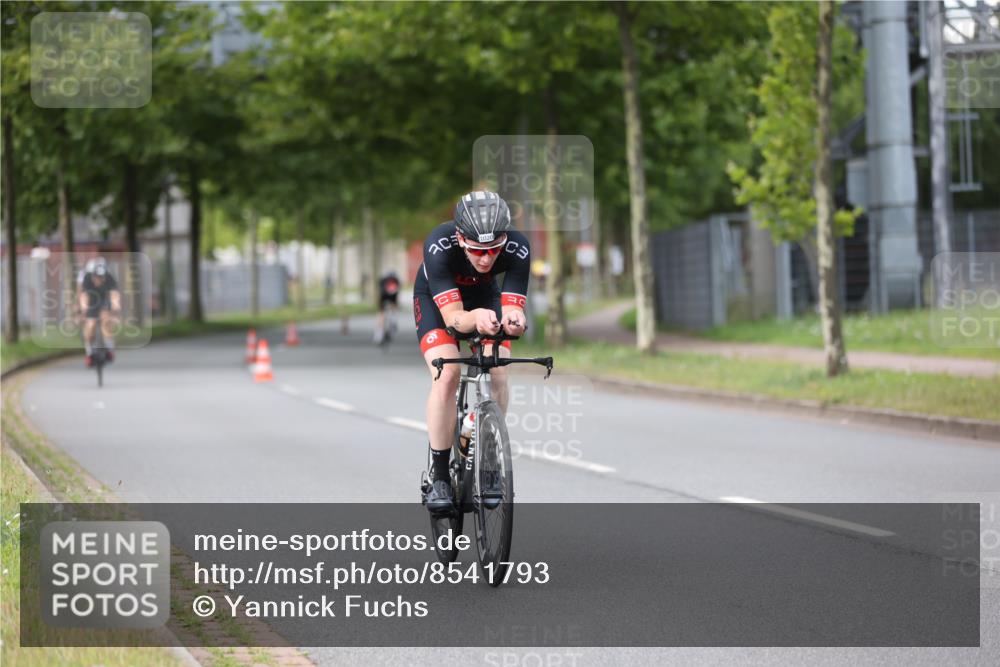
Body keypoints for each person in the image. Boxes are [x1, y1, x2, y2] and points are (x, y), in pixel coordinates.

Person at [413, 190, 529, 512]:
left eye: (494, 250)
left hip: (484, 296)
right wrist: (475, 319)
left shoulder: (519, 248)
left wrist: (515, 319)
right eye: (478, 251)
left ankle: (488, 461)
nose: (486, 259)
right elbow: (454, 319)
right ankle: (438, 476)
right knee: (447, 373)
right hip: (438, 301)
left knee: (499, 370)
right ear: (461, 239)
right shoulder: (439, 244)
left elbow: (512, 304)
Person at [77, 257, 122, 366]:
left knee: (106, 320)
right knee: (90, 325)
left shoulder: (109, 278)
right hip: (91, 301)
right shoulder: (87, 279)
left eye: (101, 277)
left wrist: (116, 308)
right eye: (96, 277)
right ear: (92, 275)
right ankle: (89, 353)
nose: (98, 279)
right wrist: (83, 312)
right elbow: (84, 297)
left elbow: (114, 295)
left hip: (104, 301)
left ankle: (109, 349)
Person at [374, 270, 401, 344]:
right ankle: (393, 322)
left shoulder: (384, 281)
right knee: (383, 313)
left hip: (386, 295)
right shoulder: (393, 281)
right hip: (387, 295)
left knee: (381, 313)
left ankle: (379, 334)